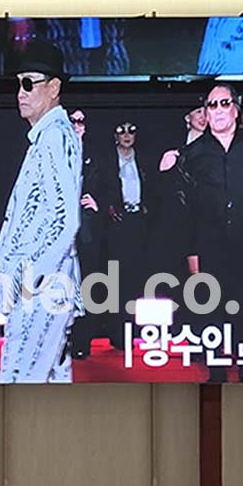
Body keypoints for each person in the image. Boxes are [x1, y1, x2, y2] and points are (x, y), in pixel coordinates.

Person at [0, 40, 82, 383]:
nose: (21, 92)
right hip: (45, 290)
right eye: (18, 83)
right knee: (49, 384)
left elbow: (65, 220)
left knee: (19, 383)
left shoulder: (54, 137)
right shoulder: (48, 137)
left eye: (29, 83)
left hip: (41, 292)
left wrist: (27, 280)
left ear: (54, 88)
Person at [178, 84, 243, 382]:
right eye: (212, 105)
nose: (219, 110)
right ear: (206, 113)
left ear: (236, 109)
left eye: (224, 103)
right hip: (209, 245)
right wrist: (191, 251)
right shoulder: (193, 154)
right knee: (210, 309)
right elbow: (184, 207)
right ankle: (216, 371)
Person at [103, 121, 153, 349]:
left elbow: (153, 188)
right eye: (121, 130)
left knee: (135, 279)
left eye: (131, 130)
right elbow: (101, 187)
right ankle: (115, 330)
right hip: (116, 226)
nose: (126, 135)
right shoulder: (107, 160)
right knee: (115, 280)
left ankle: (130, 330)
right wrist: (110, 207)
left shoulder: (143, 159)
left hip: (138, 224)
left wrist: (147, 208)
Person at [68, 109, 105, 359]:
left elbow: (108, 185)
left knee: (87, 283)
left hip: (87, 229)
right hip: (61, 229)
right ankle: (61, 340)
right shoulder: (56, 151)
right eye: (73, 120)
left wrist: (97, 202)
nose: (77, 125)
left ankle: (82, 341)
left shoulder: (95, 155)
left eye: (81, 121)